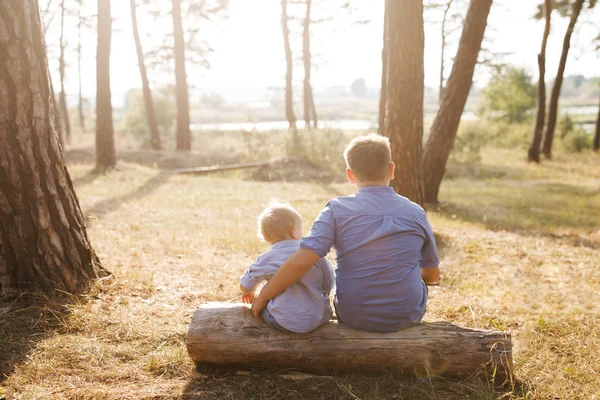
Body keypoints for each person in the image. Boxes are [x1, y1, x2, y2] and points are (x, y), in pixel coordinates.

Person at [251, 134, 440, 332]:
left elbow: (301, 261)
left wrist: (263, 297)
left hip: (354, 315)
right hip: (407, 315)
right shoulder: (416, 212)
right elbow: (431, 274)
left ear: (350, 175)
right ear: (391, 170)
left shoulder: (336, 210)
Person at [240, 202, 334, 333]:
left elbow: (245, 283)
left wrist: (248, 292)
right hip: (319, 318)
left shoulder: (267, 259)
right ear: (295, 232)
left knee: (261, 308)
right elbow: (329, 283)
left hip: (283, 321)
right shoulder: (314, 255)